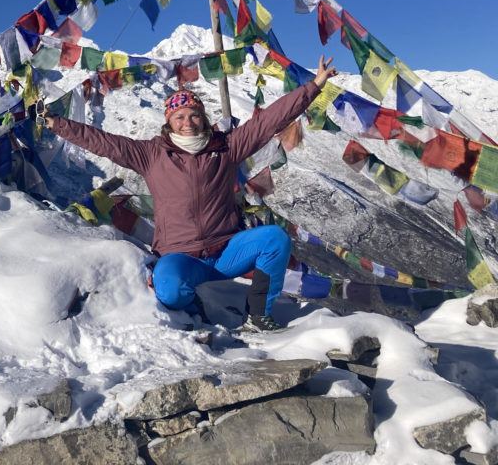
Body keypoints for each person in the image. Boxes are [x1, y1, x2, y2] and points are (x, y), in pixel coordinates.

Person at [43, 55, 338, 332]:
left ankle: (259, 314)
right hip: (181, 256)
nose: (188, 122)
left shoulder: (227, 147)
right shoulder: (150, 155)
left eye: (194, 115)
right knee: (170, 288)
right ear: (168, 122)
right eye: (180, 117)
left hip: (227, 252)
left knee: (275, 239)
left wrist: (313, 86)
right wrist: (58, 124)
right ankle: (191, 308)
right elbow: (103, 142)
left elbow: (269, 121)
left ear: (204, 119)